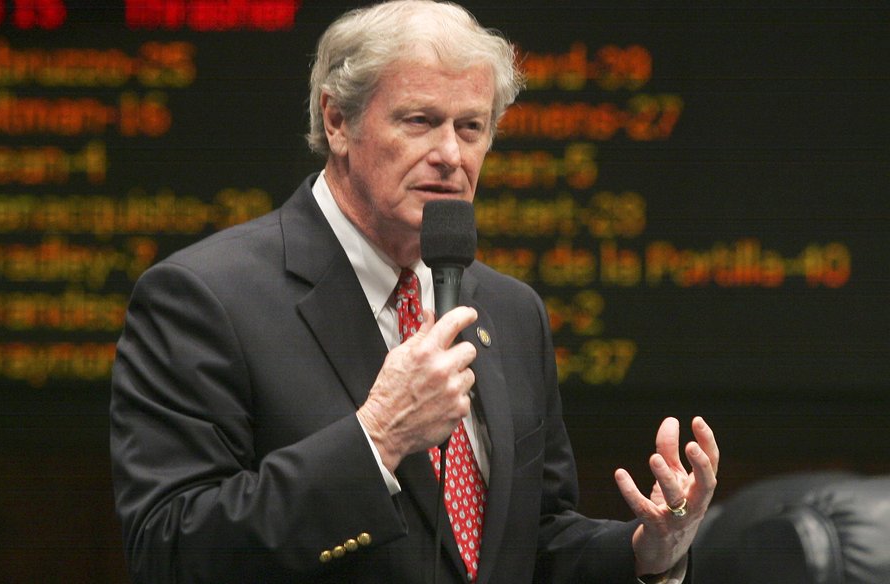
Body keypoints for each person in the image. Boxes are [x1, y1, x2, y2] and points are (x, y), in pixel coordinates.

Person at [109, 1, 720, 583]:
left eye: (471, 127)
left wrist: (646, 551)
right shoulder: (203, 298)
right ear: (337, 121)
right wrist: (376, 437)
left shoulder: (510, 312)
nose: (451, 155)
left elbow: (526, 543)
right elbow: (171, 552)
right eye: (420, 121)